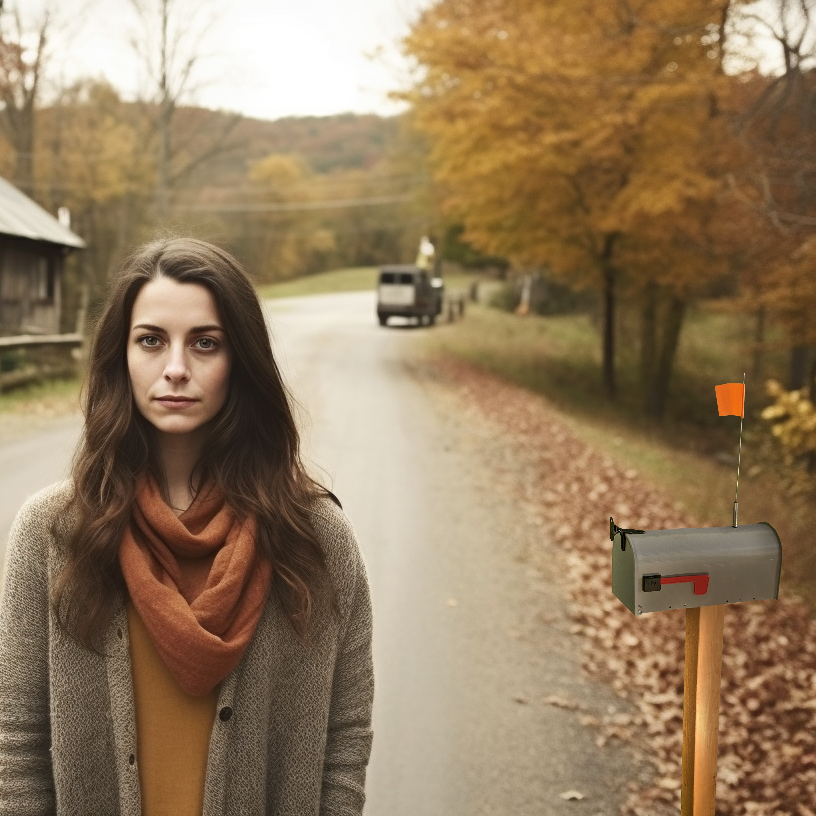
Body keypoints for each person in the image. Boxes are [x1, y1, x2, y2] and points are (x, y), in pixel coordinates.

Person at [0, 237, 374, 816]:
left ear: (240, 360)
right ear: (120, 356)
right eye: (151, 341)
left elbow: (344, 741)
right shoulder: (52, 533)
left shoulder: (315, 538)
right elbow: (16, 745)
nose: (175, 369)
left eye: (205, 343)